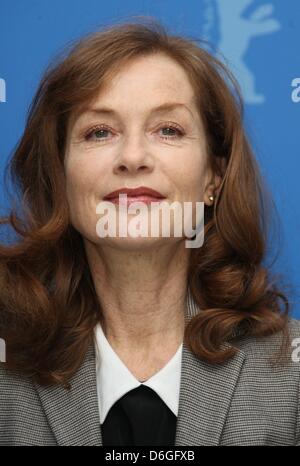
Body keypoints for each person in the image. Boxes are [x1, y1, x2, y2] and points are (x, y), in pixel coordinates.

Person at [0, 18, 299, 446]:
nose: (133, 157)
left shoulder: (293, 377)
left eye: (168, 130)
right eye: (99, 131)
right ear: (59, 177)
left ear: (213, 177)